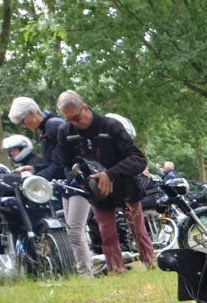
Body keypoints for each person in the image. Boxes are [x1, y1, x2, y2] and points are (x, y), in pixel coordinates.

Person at [56, 90, 155, 274]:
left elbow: (138, 159)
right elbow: (66, 165)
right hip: (96, 190)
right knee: (107, 234)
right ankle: (115, 272)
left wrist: (110, 174)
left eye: (76, 118)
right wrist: (80, 180)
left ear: (86, 108)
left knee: (138, 230)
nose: (74, 123)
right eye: (68, 119)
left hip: (124, 185)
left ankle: (150, 265)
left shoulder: (110, 126)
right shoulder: (65, 132)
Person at [7, 96, 96, 278]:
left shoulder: (53, 127)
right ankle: (83, 272)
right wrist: (34, 168)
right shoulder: (47, 129)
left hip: (76, 183)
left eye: (23, 121)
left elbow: (58, 166)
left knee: (74, 231)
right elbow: (53, 163)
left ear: (32, 114)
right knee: (73, 231)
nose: (24, 126)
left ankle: (86, 274)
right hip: (67, 185)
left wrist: (32, 181)